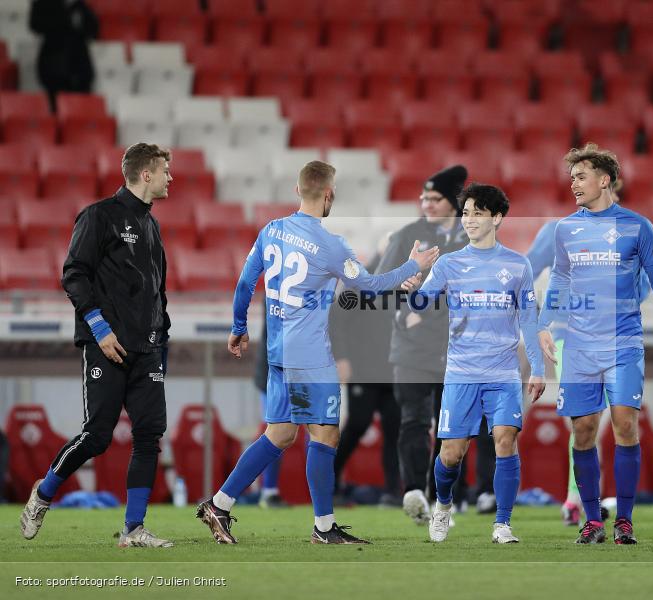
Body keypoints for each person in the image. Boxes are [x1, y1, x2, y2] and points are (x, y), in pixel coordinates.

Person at [195, 160, 438, 545]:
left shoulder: (272, 231)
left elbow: (244, 283)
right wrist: (413, 265)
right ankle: (324, 529)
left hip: (275, 350)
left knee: (280, 433)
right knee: (324, 433)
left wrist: (238, 328)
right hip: (308, 354)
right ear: (328, 194)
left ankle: (219, 505)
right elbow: (371, 286)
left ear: (297, 191)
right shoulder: (330, 244)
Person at [20, 143, 174, 547]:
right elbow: (74, 274)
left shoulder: (152, 227)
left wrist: (163, 342)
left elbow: (159, 292)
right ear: (145, 175)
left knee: (148, 435)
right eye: (164, 172)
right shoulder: (98, 216)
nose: (169, 178)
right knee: (99, 435)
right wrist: (99, 328)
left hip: (148, 349)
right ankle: (44, 493)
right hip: (105, 344)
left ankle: (133, 529)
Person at [538, 144, 653, 545]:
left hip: (623, 343)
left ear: (604, 180)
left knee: (625, 425)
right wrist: (541, 325)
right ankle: (592, 520)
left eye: (581, 176)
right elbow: (559, 281)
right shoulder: (565, 229)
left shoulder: (638, 227)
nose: (574, 184)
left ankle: (624, 519)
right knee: (584, 430)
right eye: (572, 178)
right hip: (579, 346)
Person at [404, 183, 545, 544]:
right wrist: (411, 287)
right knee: (451, 454)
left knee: (505, 439)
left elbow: (529, 319)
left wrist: (539, 367)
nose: (469, 220)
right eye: (465, 213)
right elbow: (421, 304)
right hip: (462, 373)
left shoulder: (517, 265)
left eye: (477, 213)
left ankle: (502, 523)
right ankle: (444, 505)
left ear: (497, 218)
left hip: (503, 373)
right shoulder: (450, 263)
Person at [375, 165, 496, 525]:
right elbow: (377, 286)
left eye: (435, 198)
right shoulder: (407, 235)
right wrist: (401, 293)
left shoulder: (473, 238)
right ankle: (414, 491)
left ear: (454, 203)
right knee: (413, 420)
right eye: (423, 197)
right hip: (412, 347)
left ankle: (443, 495)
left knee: (452, 426)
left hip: (459, 347)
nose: (426, 203)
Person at [527, 183, 651, 528]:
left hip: (616, 340)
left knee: (617, 423)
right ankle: (575, 500)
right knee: (584, 423)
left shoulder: (628, 232)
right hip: (570, 336)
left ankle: (585, 503)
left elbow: (643, 287)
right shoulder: (557, 231)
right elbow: (526, 270)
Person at [329, 243, 403, 507]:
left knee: (396, 432)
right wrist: (342, 358)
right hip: (363, 371)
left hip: (394, 371)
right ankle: (331, 482)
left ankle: (394, 491)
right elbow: (336, 321)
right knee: (357, 426)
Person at [29, 0, 98, 111]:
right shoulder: (44, 3)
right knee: (55, 106)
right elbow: (35, 25)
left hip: (79, 66)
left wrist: (78, 18)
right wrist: (67, 17)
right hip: (53, 64)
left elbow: (93, 30)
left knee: (81, 109)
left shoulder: (80, 6)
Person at [253, 301, 287, 508]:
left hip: (299, 370)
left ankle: (326, 498)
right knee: (276, 433)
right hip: (275, 372)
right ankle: (267, 490)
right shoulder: (281, 279)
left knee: (320, 431)